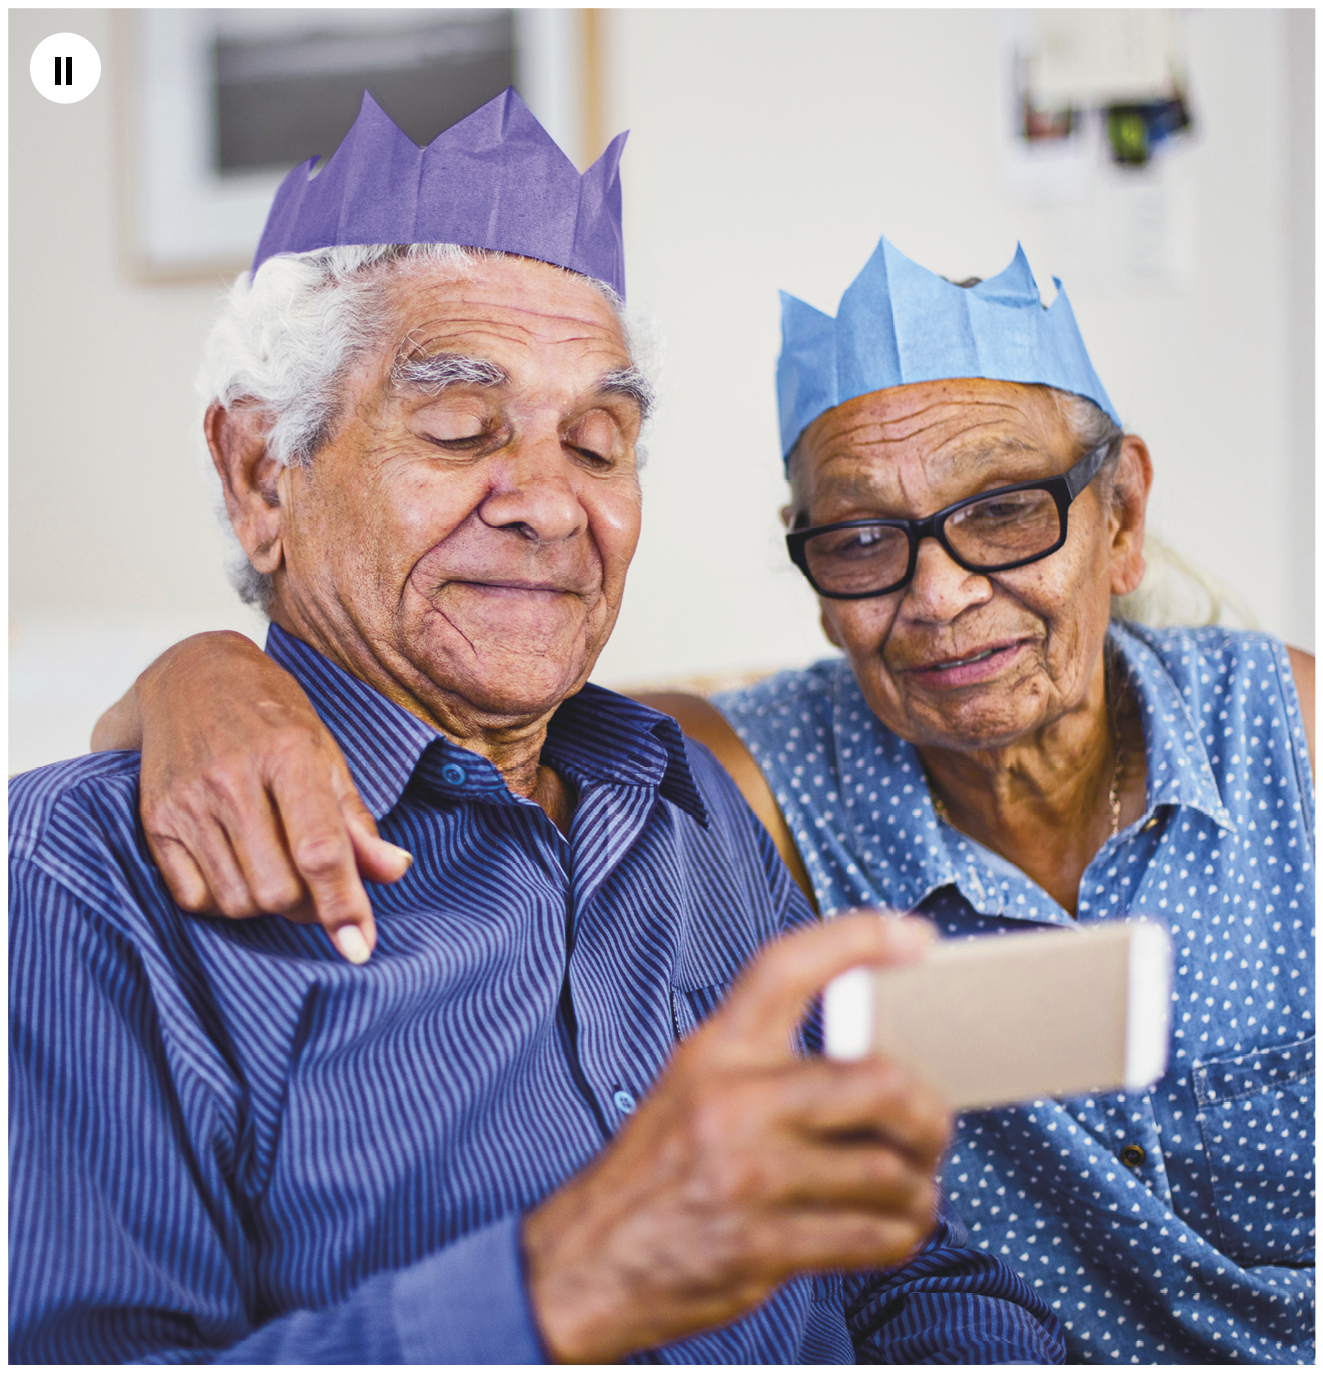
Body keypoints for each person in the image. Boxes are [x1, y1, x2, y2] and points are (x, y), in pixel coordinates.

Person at [95, 215, 1316, 1365]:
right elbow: (473, 680)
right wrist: (201, 674)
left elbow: (905, 1274)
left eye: (1004, 514)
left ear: (1121, 517)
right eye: (861, 540)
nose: (939, 596)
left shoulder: (1293, 733)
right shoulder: (740, 774)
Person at [9, 91, 1067, 1364]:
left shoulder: (682, 798)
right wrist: (565, 1281)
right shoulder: (81, 877)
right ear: (258, 475)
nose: (551, 505)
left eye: (599, 442)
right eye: (460, 428)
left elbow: (898, 1268)